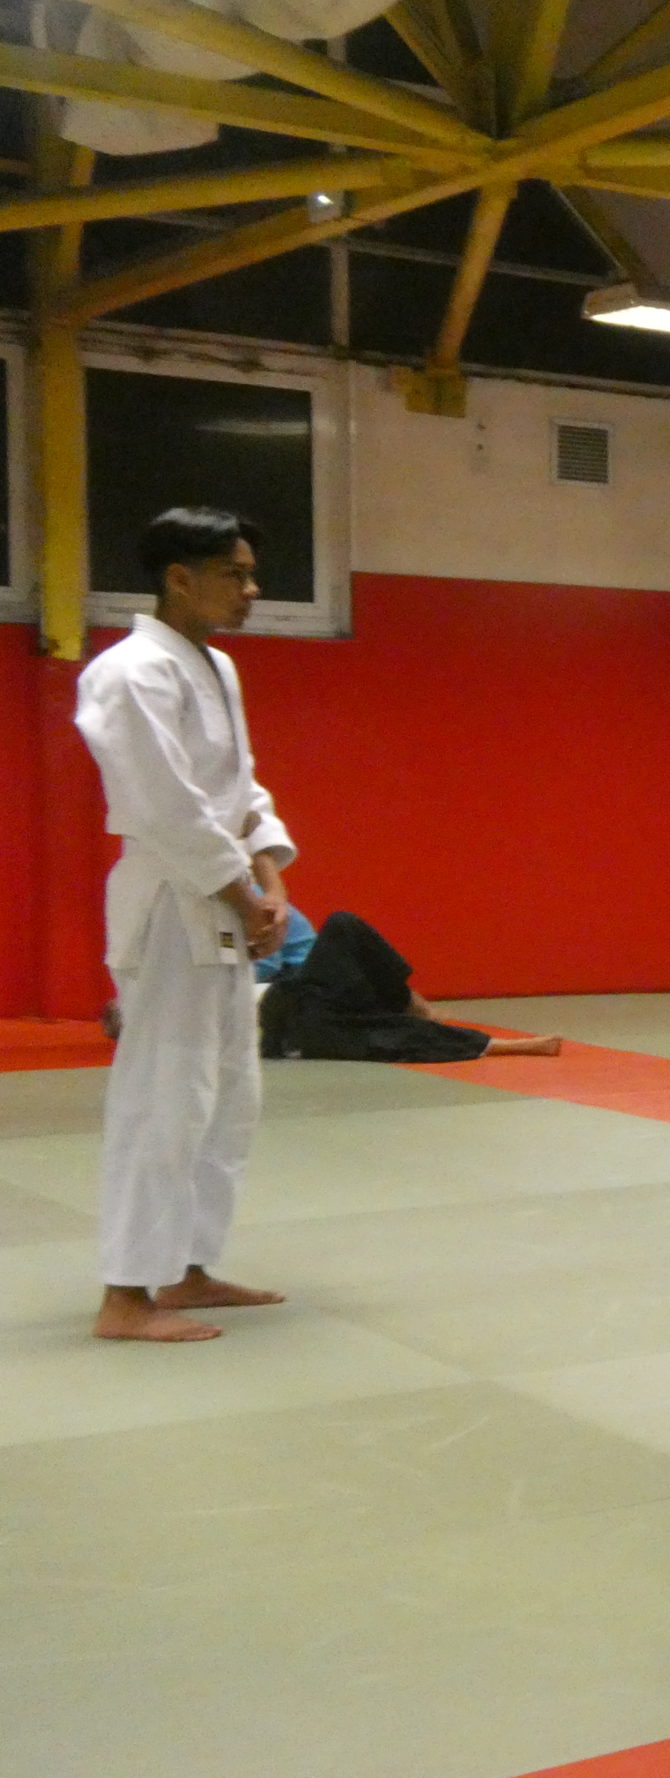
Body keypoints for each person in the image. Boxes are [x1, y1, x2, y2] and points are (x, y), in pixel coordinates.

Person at [73, 507, 294, 1344]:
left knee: (228, 1095)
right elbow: (163, 804)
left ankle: (188, 1268)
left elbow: (242, 789)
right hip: (173, 900)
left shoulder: (216, 666)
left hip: (226, 894)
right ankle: (124, 1294)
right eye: (234, 574)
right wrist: (241, 894)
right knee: (162, 1097)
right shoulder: (129, 673)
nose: (251, 589)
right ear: (178, 577)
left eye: (250, 573)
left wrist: (270, 880)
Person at [260, 910, 563, 1062]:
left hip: (304, 989)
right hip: (291, 1015)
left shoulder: (259, 901)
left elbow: (271, 963)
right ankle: (494, 1045)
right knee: (361, 1029)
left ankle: (413, 1004)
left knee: (343, 924)